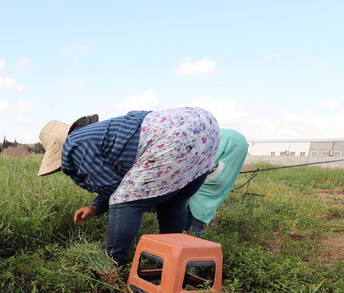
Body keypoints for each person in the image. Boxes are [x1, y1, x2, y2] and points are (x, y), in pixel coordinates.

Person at [38, 107, 220, 267]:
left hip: (172, 138)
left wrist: (103, 205)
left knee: (123, 201)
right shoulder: (98, 134)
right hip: (205, 128)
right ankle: (172, 259)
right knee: (172, 201)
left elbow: (115, 189)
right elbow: (121, 181)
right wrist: (95, 207)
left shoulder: (74, 144)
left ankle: (111, 265)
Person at [185, 129, 248, 236]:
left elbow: (205, 161)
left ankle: (198, 238)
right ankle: (191, 233)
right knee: (197, 205)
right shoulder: (235, 139)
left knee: (198, 203)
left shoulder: (212, 138)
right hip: (221, 176)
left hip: (210, 178)